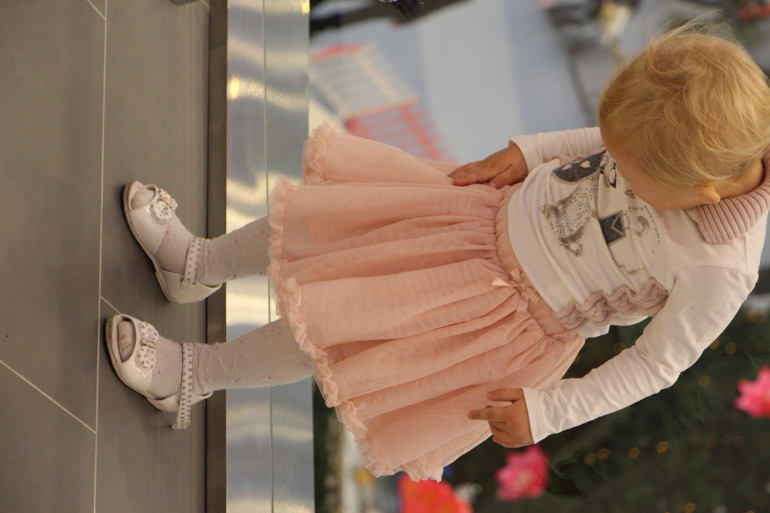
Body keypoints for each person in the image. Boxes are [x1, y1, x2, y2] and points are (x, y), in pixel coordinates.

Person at [105, 21, 770, 482]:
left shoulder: (719, 267)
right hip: (478, 217)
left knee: (332, 334)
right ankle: (196, 264)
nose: (615, 166)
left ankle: (196, 374)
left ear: (703, 194)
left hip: (494, 315)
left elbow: (656, 365)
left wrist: (550, 411)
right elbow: (600, 141)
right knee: (325, 223)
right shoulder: (674, 138)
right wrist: (531, 152)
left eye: (632, 172)